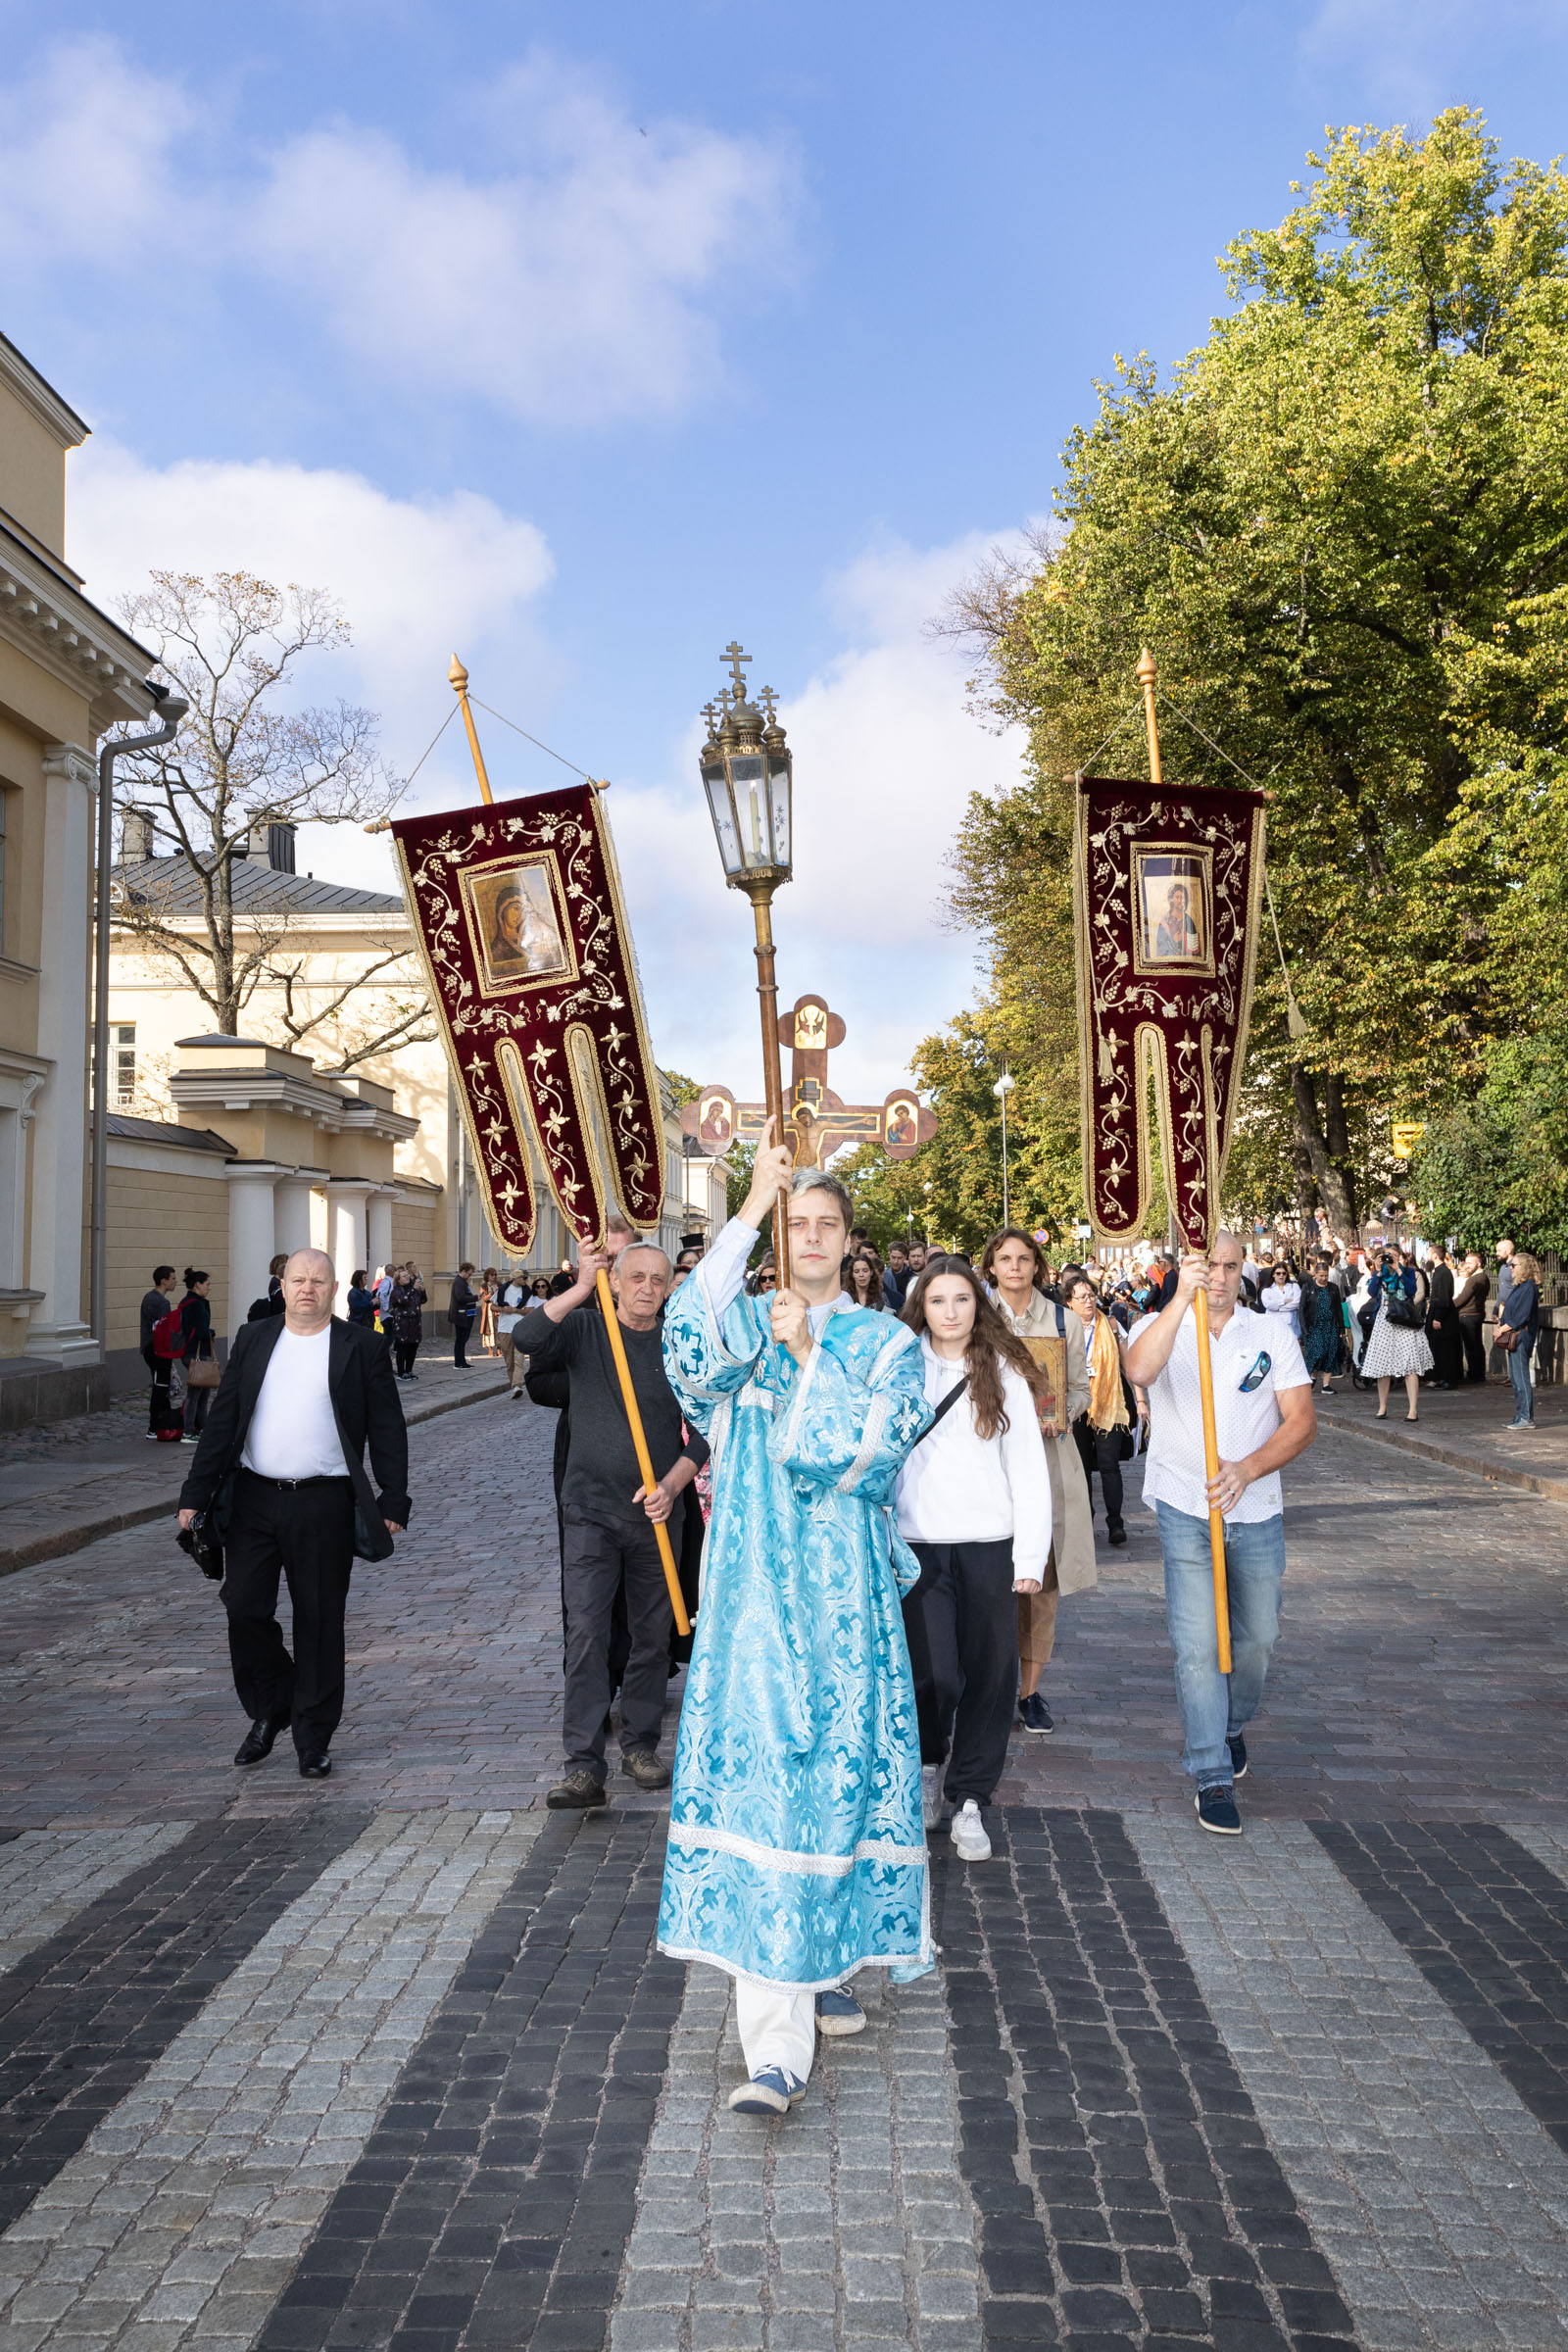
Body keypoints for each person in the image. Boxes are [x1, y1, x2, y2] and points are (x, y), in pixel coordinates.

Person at [660, 1129, 932, 2117]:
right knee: (773, 1788)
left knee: (838, 1785)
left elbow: (871, 1455)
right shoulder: (746, 1324)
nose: (810, 1238)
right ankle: (774, 2049)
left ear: (849, 1241)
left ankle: (821, 1963)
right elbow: (686, 1353)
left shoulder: (885, 1341)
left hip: (848, 1606)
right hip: (754, 1605)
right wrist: (746, 1204)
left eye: (825, 1224)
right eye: (796, 1224)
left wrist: (813, 1358)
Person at [177, 1248, 410, 1779]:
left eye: (318, 1280)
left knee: (319, 1620)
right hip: (254, 1498)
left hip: (325, 1502)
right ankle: (274, 1704)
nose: (308, 1288)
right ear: (281, 1285)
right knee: (243, 1607)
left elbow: (387, 1427)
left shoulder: (363, 1347)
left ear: (333, 1289)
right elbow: (223, 1422)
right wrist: (194, 1494)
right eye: (298, 1279)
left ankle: (312, 1735)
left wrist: (392, 1497)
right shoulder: (254, 1339)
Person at [1124, 1234, 1317, 1836]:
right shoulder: (1160, 1326)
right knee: (1198, 1643)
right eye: (1212, 1267)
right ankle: (1210, 1772)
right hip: (1185, 1502)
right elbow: (1139, 1370)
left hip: (1255, 1507)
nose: (1222, 1277)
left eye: (1232, 1267)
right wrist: (1179, 1300)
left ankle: (1231, 1726)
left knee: (1258, 1638)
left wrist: (1247, 1469)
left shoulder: (1270, 1335)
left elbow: (1302, 1421)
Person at [512, 1239, 708, 1809]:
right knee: (588, 1634)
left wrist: (672, 1484)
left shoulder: (679, 1348)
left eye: (658, 1279)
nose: (647, 1287)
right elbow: (526, 1340)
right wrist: (578, 1286)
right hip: (590, 1510)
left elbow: (704, 1428)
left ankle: (641, 1745)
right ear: (616, 1282)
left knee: (650, 1636)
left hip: (656, 1513)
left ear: (670, 1287)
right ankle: (582, 1764)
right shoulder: (586, 1331)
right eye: (636, 1277)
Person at [897, 1256, 1051, 1860]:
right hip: (918, 1543)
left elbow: (1027, 1469)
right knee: (934, 1674)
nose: (951, 1312)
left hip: (991, 1542)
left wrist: (1029, 1554)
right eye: (938, 1301)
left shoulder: (1004, 1368)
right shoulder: (898, 1365)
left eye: (962, 1300)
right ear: (922, 1307)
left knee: (990, 1676)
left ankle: (969, 1799)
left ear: (977, 1304)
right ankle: (930, 1763)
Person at [980, 1225, 1095, 1734]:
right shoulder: (977, 1320)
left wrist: (1063, 1413)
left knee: (1041, 1582)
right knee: (992, 1577)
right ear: (991, 1267)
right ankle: (992, 1686)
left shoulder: (1064, 1321)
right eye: (1005, 1259)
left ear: (1036, 1267)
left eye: (1023, 1259)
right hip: (988, 1462)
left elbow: (1080, 1390)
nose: (1014, 1268)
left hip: (1049, 1460)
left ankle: (1030, 1692)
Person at [1063, 1270, 1142, 1547]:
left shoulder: (1109, 1324)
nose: (1088, 1301)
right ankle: (1086, 1520)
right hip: (1076, 1405)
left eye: (1092, 1295)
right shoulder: (1062, 1328)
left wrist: (1141, 1400)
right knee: (1081, 1467)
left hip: (1108, 1403)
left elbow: (1128, 1363)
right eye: (1081, 1297)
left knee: (1109, 1466)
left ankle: (1116, 1523)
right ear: (1069, 1302)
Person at [1362, 1248, 1433, 1421]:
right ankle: (1382, 1406)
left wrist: (1399, 1269)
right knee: (1382, 1366)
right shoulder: (1379, 1273)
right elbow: (1371, 1292)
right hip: (1385, 1319)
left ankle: (1413, 1410)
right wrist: (1378, 1272)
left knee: (1410, 1365)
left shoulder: (1408, 1271)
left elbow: (1411, 1291)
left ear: (1399, 1256)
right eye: (1386, 1256)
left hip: (1404, 1319)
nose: (1389, 1259)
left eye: (1392, 1255)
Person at [1497, 1250, 1543, 1432]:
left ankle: (1526, 1416)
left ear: (1523, 1268)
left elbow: (1521, 1316)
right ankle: (1520, 1415)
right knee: (1516, 1378)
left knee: (1521, 1377)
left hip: (1521, 1335)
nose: (1511, 1269)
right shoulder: (1521, 1287)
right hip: (1515, 1334)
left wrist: (1503, 1328)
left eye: (1513, 1266)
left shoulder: (1529, 1287)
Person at [140, 1264, 177, 1440]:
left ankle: (166, 1423)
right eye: (173, 1278)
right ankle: (153, 1428)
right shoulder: (162, 1302)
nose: (175, 1282)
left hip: (149, 1349)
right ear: (163, 1280)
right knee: (160, 1389)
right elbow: (163, 1329)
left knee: (160, 1388)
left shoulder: (148, 1297)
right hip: (158, 1351)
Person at [179, 1270, 217, 1443]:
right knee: (195, 1394)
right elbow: (201, 1331)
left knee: (202, 1393)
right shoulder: (196, 1304)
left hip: (192, 1352)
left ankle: (203, 1428)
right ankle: (188, 1431)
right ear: (197, 1285)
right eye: (207, 1284)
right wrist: (211, 1332)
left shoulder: (187, 1302)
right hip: (196, 1353)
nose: (209, 1288)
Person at [1298, 1257, 1341, 1396]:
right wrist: (1304, 1329)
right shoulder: (1308, 1287)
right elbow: (1302, 1308)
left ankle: (1326, 1384)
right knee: (1317, 1352)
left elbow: (1338, 1308)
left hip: (1331, 1324)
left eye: (1326, 1276)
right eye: (1321, 1275)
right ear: (1315, 1274)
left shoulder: (1333, 1288)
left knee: (1330, 1353)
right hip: (1315, 1325)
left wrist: (1340, 1327)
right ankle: (1312, 1377)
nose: (1323, 1278)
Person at [1424, 1248, 1461, 1391]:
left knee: (1446, 1349)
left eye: (1428, 1253)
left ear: (1434, 1255)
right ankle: (1440, 1376)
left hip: (1443, 1315)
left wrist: (1438, 1317)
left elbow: (1444, 1297)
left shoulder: (1443, 1273)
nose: (1427, 1256)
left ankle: (1448, 1379)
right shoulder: (1438, 1272)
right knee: (1438, 1348)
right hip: (1437, 1311)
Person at [1453, 1252, 1491, 1384]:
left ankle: (1475, 1374)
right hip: (1475, 1313)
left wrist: (1447, 1305)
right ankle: (1478, 1373)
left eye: (1470, 1263)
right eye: (1466, 1262)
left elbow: (1462, 1298)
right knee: (1476, 1345)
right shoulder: (1482, 1277)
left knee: (1471, 1346)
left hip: (1468, 1315)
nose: (1467, 1265)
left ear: (1479, 1264)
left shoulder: (1475, 1279)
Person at [387, 1266, 426, 1380]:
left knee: (413, 1347)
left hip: (415, 1323)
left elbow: (423, 1300)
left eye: (407, 1275)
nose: (407, 1277)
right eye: (404, 1276)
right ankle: (401, 1372)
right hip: (403, 1324)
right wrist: (413, 1289)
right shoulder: (396, 1291)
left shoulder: (413, 1289)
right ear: (398, 1279)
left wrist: (423, 1290)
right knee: (402, 1349)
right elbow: (403, 1300)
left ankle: (409, 1370)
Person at [496, 1270, 529, 1397]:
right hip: (504, 1330)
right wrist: (503, 1309)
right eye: (523, 1278)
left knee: (519, 1360)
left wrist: (515, 1310)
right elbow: (492, 1306)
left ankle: (517, 1385)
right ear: (516, 1278)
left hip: (520, 1329)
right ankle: (514, 1385)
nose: (526, 1280)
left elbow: (529, 1310)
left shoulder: (527, 1292)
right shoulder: (503, 1290)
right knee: (509, 1362)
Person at [1262, 1261, 1301, 1341]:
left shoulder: (1294, 1286)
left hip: (1290, 1324)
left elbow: (1297, 1303)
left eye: (1283, 1273)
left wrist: (1277, 1308)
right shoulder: (1267, 1290)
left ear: (1287, 1274)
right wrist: (1284, 1301)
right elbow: (1268, 1305)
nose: (1281, 1275)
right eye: (1278, 1273)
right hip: (1273, 1324)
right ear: (1273, 1274)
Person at [449, 1263, 477, 1366]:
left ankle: (462, 1361)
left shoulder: (463, 1282)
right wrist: (474, 1298)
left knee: (463, 1339)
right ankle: (459, 1362)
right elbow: (460, 1298)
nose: (469, 1276)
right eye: (469, 1274)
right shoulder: (458, 1282)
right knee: (461, 1339)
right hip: (461, 1315)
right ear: (464, 1271)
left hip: (466, 1314)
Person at [477, 1268, 499, 1355]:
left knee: (498, 1328)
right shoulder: (484, 1286)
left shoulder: (499, 1284)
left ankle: (499, 1348)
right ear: (487, 1276)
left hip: (498, 1308)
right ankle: (490, 1349)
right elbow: (484, 1298)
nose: (494, 1277)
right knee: (489, 1328)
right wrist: (491, 1294)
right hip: (488, 1309)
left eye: (495, 1275)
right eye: (492, 1275)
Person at [884, 1242, 910, 1308]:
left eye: (899, 1258)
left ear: (905, 1257)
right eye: (893, 1257)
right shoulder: (883, 1276)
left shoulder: (911, 1275)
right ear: (889, 1255)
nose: (896, 1261)